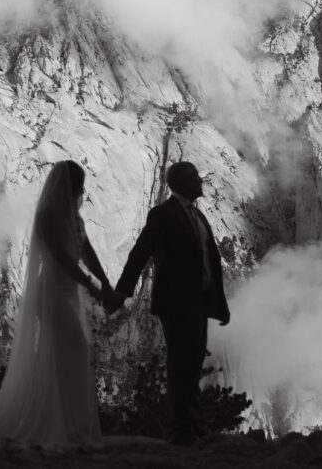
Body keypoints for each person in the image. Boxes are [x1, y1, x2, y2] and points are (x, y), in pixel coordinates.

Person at [0, 160, 115, 447]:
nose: (82, 191)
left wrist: (105, 282)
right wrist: (91, 285)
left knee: (62, 354)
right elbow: (61, 258)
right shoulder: (48, 217)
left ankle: (64, 424)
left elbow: (87, 253)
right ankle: (59, 426)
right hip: (50, 291)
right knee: (74, 349)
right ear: (71, 187)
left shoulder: (75, 219)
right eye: (79, 186)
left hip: (67, 292)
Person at [108, 161, 230, 446]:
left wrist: (220, 304)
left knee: (193, 361)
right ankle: (180, 430)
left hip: (198, 302)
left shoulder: (199, 216)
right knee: (181, 363)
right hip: (175, 302)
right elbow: (140, 252)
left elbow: (210, 262)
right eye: (195, 177)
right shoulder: (163, 214)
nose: (200, 181)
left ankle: (192, 425)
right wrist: (123, 291)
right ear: (181, 183)